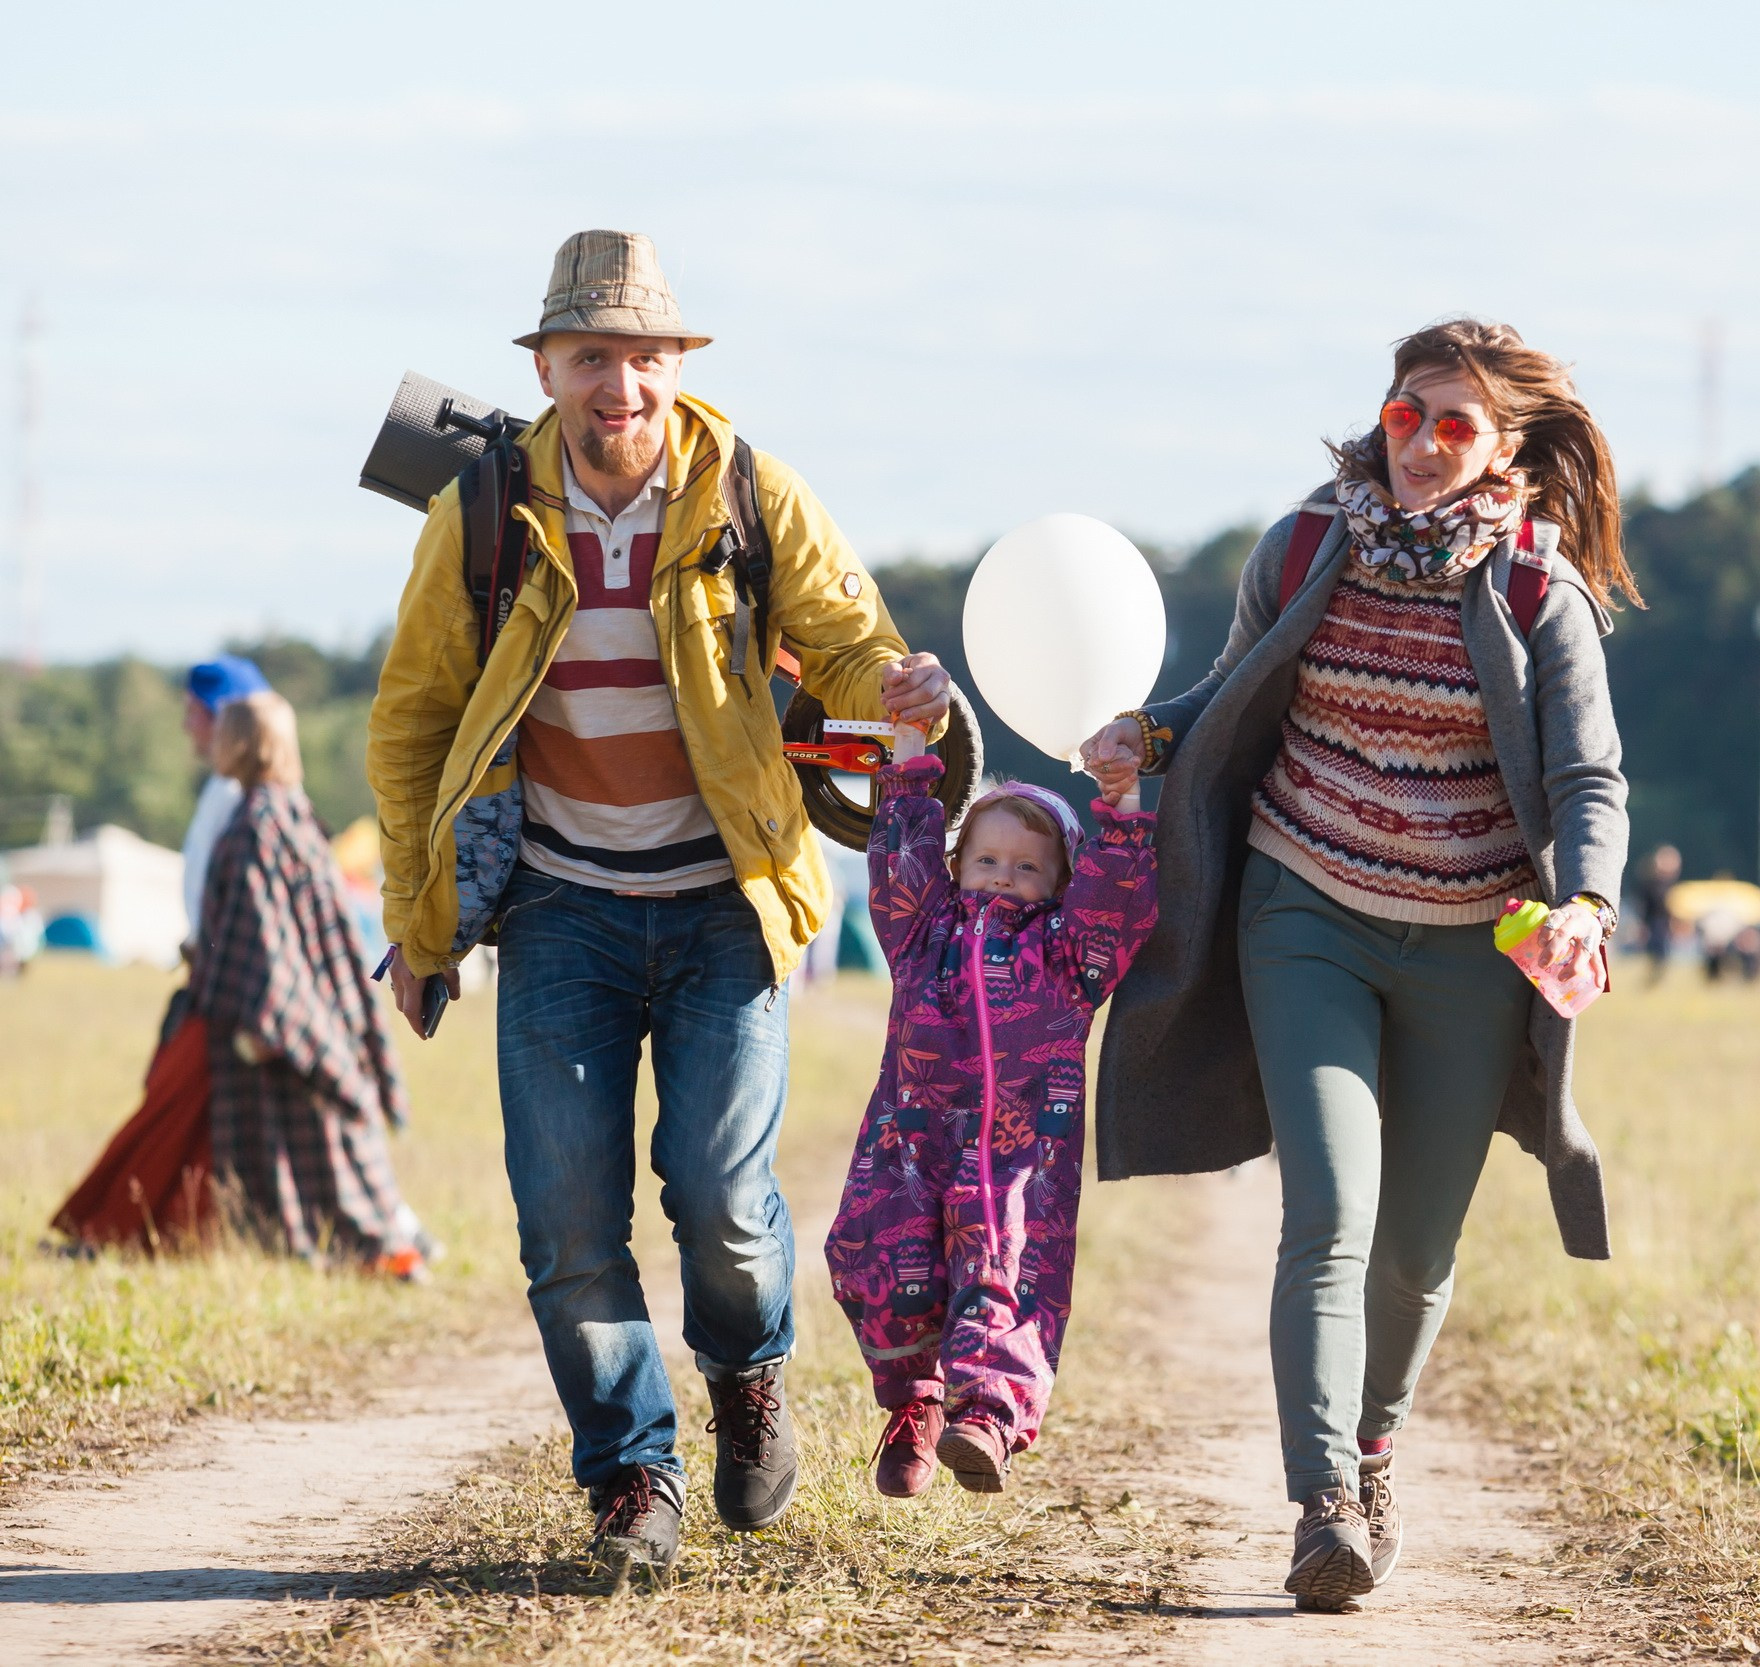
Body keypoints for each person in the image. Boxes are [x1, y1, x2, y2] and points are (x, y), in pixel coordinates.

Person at [366, 230, 954, 1584]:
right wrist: (425, 916)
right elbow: (411, 724)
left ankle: (748, 1373)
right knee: (567, 1217)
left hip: (721, 907)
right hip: (560, 907)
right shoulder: (483, 512)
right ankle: (632, 1472)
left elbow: (852, 641)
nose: (616, 383)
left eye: (641, 357)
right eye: (589, 357)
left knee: (720, 1197)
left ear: (675, 367)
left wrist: (896, 691)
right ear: (548, 369)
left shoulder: (747, 490)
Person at [1083, 318, 1633, 1612]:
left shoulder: (1536, 590)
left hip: (1469, 947)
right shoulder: (1303, 546)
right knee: (1328, 1213)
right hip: (1304, 909)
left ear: (1507, 449)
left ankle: (1375, 1446)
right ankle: (1324, 1497)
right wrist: (1142, 738)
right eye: (1407, 413)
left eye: (1456, 424)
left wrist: (1592, 899)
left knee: (1418, 1249)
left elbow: (1587, 774)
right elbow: (1224, 693)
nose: (1425, 443)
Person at [826, 732, 1157, 1499]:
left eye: (1028, 867)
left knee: (1002, 1272)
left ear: (1060, 880)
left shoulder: (1070, 955)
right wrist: (909, 770)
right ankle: (915, 1401)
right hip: (906, 1142)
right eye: (986, 860)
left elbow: (1117, 902)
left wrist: (1123, 809)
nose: (1003, 878)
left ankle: (991, 1415)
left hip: (1017, 1157)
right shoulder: (919, 936)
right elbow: (900, 867)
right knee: (868, 1256)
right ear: (956, 865)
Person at [190, 693, 421, 1273]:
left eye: (223, 732)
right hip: (320, 1008)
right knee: (332, 1143)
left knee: (309, 1146)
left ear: (243, 742)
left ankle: (376, 1254)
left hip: (276, 1019)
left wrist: (271, 1022)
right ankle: (381, 1248)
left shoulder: (253, 828)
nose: (212, 743)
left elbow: (262, 941)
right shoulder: (293, 813)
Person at [179, 656, 271, 956]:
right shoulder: (223, 786)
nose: (186, 725)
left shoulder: (244, 796)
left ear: (223, 718)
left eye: (193, 712)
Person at [1634, 844, 1681, 985]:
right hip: (1653, 922)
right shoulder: (1649, 883)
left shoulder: (1672, 884)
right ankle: (1652, 979)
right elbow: (1643, 907)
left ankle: (1656, 979)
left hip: (1665, 923)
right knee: (1655, 953)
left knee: (1663, 954)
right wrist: (1642, 925)